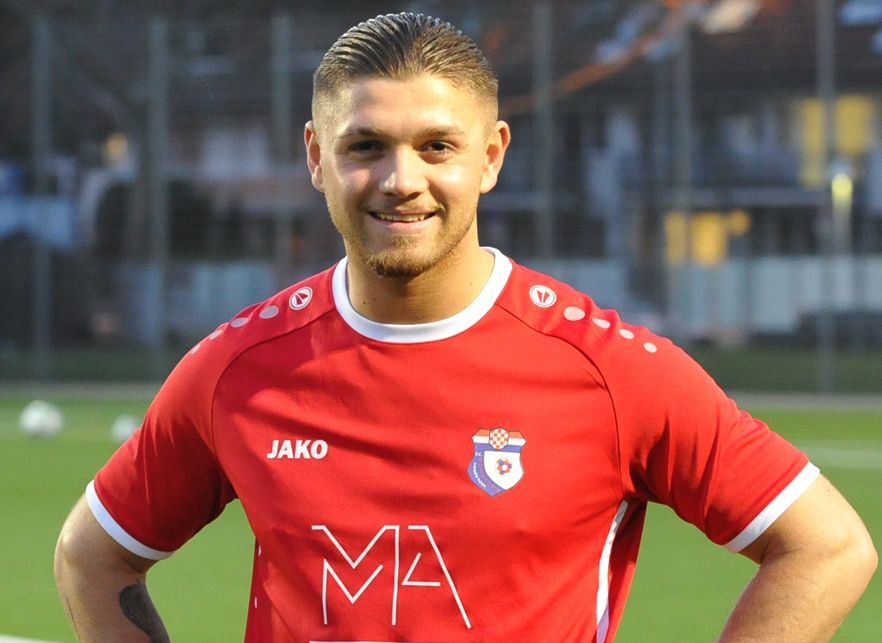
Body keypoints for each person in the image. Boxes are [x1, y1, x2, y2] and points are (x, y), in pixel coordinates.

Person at [54, 12, 876, 642]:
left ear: (490, 156)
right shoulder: (238, 368)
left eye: (437, 146)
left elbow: (829, 546)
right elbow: (92, 556)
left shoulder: (607, 369)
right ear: (315, 156)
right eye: (365, 146)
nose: (400, 179)